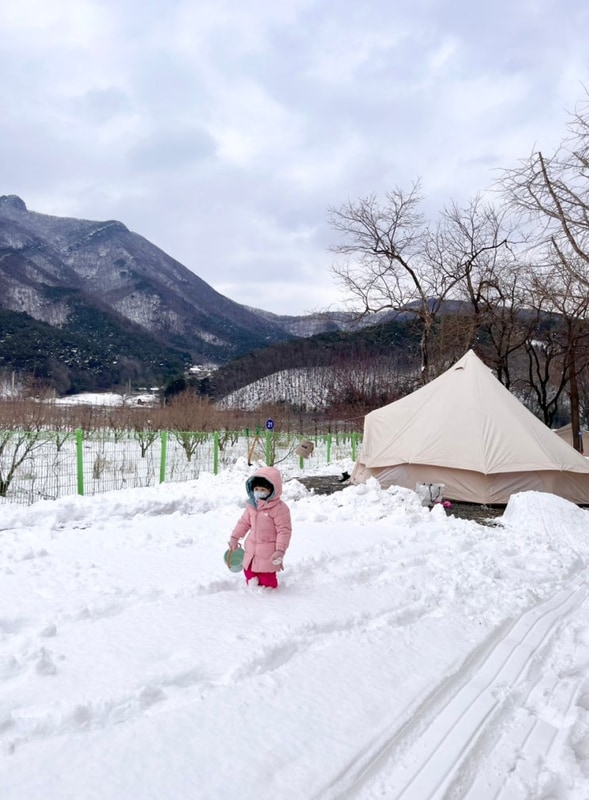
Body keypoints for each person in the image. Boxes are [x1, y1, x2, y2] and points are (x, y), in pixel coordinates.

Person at [227, 466, 292, 589]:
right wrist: (234, 537)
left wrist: (280, 550)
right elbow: (243, 522)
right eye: (256, 489)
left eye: (263, 489)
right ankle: (252, 599)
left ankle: (268, 601)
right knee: (249, 573)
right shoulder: (252, 506)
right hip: (251, 549)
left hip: (269, 552)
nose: (259, 492)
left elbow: (284, 531)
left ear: (272, 490)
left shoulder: (279, 509)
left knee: (267, 580)